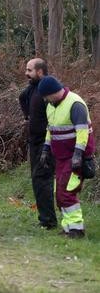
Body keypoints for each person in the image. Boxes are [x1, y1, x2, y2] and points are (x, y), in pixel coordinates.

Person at [37, 76, 95, 238]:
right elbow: (51, 129)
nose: (45, 100)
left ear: (53, 92)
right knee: (59, 193)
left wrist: (78, 155)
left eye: (46, 96)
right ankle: (69, 228)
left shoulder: (75, 104)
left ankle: (77, 229)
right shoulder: (51, 106)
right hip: (61, 157)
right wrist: (45, 150)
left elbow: (82, 132)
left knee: (67, 193)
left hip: (75, 157)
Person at [18, 58, 57, 229]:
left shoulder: (48, 90)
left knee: (42, 179)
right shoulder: (31, 89)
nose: (26, 73)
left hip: (47, 143)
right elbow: (22, 97)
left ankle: (48, 221)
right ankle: (44, 218)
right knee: (37, 179)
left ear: (40, 72)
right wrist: (28, 117)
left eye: (29, 70)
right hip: (34, 143)